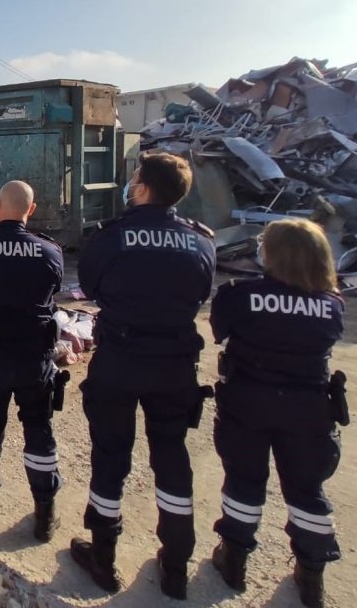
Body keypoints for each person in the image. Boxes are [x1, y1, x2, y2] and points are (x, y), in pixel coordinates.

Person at [70, 151, 216, 599]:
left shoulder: (112, 236)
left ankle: (104, 556)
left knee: (111, 456)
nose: (130, 185)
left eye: (134, 179)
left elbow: (90, 289)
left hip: (120, 360)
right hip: (174, 365)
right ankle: (175, 564)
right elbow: (201, 292)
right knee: (171, 456)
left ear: (144, 188)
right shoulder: (201, 242)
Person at [209, 218, 346, 608]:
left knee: (244, 480)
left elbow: (219, 331)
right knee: (306, 489)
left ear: (271, 253)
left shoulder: (238, 294)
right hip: (309, 409)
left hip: (247, 401)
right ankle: (312, 572)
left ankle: (234, 557)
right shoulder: (332, 305)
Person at [0, 180, 66, 540]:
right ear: (30, 210)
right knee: (39, 429)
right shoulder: (50, 253)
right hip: (35, 358)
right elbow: (53, 289)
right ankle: (45, 515)